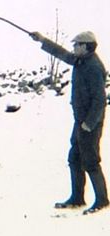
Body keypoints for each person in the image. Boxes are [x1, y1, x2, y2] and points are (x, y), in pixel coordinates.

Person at [30, 31, 109, 214]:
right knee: (74, 158)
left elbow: (99, 100)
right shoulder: (81, 61)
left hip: (90, 123)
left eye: (76, 45)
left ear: (85, 46)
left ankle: (102, 200)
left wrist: (89, 124)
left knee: (90, 161)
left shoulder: (94, 67)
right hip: (80, 122)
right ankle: (77, 198)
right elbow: (63, 54)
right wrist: (42, 40)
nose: (73, 48)